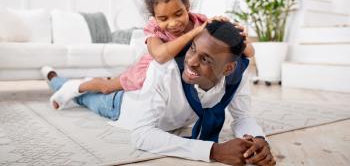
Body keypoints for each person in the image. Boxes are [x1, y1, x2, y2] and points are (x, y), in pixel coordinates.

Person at [42, 21, 275, 166]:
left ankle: (70, 81)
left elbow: (243, 117)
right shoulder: (164, 69)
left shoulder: (238, 73)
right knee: (84, 97)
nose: (191, 62)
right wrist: (213, 151)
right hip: (121, 104)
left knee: (98, 84)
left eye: (205, 59)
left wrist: (258, 140)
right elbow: (141, 134)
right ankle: (56, 79)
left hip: (159, 108)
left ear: (228, 68)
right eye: (192, 49)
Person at [45, 0, 255, 110]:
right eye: (163, 18)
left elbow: (248, 51)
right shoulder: (155, 30)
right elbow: (161, 55)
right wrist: (196, 33)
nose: (172, 23)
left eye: (178, 14)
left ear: (188, 6)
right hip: (144, 73)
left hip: (174, 85)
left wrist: (240, 35)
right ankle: (72, 88)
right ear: (154, 16)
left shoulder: (201, 21)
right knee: (108, 87)